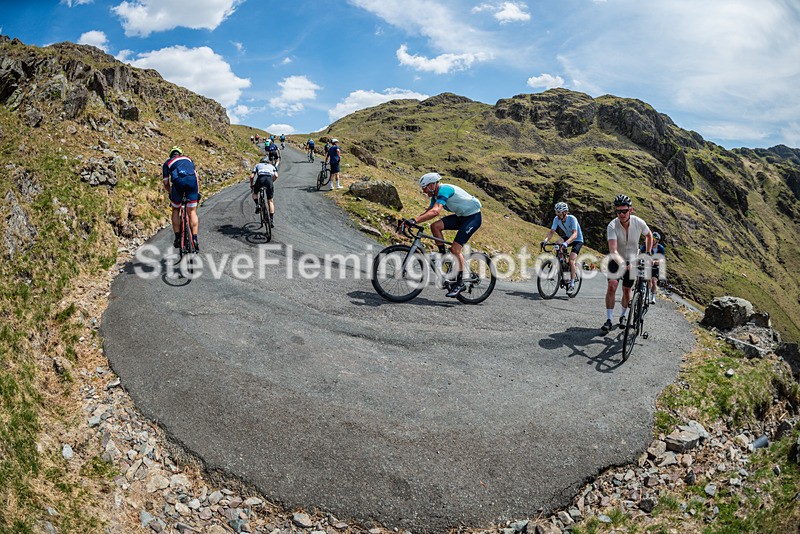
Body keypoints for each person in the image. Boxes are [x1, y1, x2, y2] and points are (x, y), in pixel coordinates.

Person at [403, 172, 482, 298]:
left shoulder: (445, 189)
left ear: (431, 185)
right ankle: (443, 255)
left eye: (424, 188)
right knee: (435, 226)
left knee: (455, 249)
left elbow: (435, 211)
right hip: (461, 216)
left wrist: (415, 221)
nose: (423, 191)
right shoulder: (435, 196)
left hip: (473, 218)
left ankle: (460, 283)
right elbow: (429, 211)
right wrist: (411, 221)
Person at [601, 194, 653, 333]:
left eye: (624, 211)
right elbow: (613, 250)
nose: (621, 214)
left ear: (630, 210)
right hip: (616, 258)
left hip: (633, 259)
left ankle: (623, 316)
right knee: (612, 285)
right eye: (618, 211)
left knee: (626, 289)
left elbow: (649, 235)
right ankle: (609, 319)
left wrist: (648, 253)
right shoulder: (612, 225)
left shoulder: (638, 222)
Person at [162, 146, 201, 250]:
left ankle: (178, 238)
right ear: (180, 154)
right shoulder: (188, 159)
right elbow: (196, 177)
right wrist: (197, 192)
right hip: (192, 182)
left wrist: (171, 193)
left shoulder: (167, 163)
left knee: (175, 209)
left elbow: (166, 183)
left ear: (171, 155)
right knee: (192, 211)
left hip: (178, 184)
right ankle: (195, 239)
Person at [541, 201, 584, 290]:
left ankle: (572, 283)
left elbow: (575, 234)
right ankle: (562, 263)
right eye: (556, 212)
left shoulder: (572, 219)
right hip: (568, 237)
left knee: (571, 260)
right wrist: (545, 241)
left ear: (565, 212)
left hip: (577, 239)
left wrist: (566, 243)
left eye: (559, 212)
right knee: (557, 243)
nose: (557, 215)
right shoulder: (556, 219)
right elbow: (551, 232)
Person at [250, 156, 279, 227]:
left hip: (260, 179)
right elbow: (276, 175)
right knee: (270, 201)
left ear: (261, 161)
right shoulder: (271, 166)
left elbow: (251, 176)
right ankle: (271, 220)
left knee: (255, 194)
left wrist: (251, 185)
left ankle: (257, 205)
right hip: (269, 180)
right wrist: (271, 181)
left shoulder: (257, 165)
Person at [640, 231, 666, 304]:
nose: (652, 240)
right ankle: (647, 294)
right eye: (652, 238)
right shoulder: (647, 245)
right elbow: (640, 252)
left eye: (654, 239)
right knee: (649, 280)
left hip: (656, 266)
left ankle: (653, 297)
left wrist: (655, 262)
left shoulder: (661, 248)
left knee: (654, 281)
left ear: (657, 241)